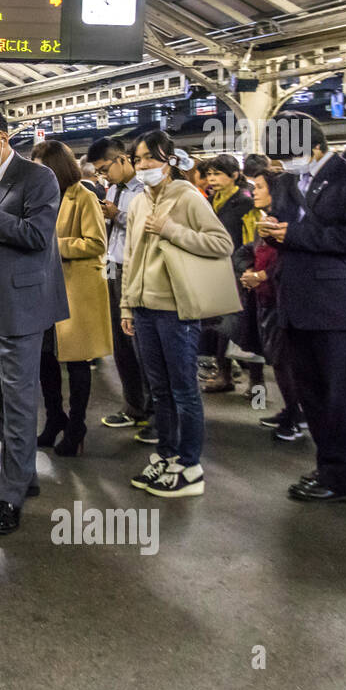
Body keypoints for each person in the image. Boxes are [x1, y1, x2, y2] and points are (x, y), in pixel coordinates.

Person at [258, 111, 346, 502]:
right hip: (295, 300)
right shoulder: (287, 181)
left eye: (288, 154)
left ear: (315, 146)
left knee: (342, 395)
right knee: (310, 392)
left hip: (338, 304)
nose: (283, 165)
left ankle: (343, 478)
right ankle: (327, 465)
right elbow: (287, 229)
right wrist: (274, 233)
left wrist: (294, 233)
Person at [0, 107, 69, 536]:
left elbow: (38, 236)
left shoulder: (38, 178)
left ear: (3, 138)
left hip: (20, 307)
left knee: (19, 400)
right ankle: (20, 475)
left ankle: (11, 496)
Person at [121, 130, 234, 498]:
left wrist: (172, 230)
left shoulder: (187, 197)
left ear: (169, 159)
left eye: (150, 158)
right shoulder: (138, 202)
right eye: (138, 160)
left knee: (184, 389)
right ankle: (166, 454)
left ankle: (190, 465)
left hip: (175, 309)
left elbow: (221, 243)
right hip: (142, 308)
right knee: (160, 389)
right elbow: (131, 258)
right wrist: (126, 304)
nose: (143, 166)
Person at [35, 140, 111, 456]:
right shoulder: (39, 198)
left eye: (42, 167)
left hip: (75, 291)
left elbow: (96, 243)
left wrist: (55, 244)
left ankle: (77, 425)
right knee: (45, 360)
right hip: (45, 289)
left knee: (76, 363)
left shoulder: (84, 197)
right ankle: (55, 419)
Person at [86, 137, 154, 438]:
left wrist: (119, 216)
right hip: (112, 267)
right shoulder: (113, 189)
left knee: (144, 344)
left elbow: (150, 224)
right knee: (121, 343)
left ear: (122, 159)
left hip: (136, 269)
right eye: (99, 172)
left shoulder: (147, 189)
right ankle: (134, 406)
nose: (104, 176)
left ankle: (156, 414)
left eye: (105, 169)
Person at [237, 166, 306, 442]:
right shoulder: (268, 219)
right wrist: (248, 271)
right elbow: (249, 250)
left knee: (285, 361)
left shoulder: (289, 225)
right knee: (278, 361)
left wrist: (261, 275)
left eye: (260, 187)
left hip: (284, 299)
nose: (254, 192)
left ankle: (295, 418)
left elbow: (290, 260)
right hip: (266, 297)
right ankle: (291, 410)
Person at [197, 154, 259, 394]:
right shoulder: (211, 200)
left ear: (234, 175)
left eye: (217, 174)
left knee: (244, 325)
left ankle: (256, 382)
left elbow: (251, 236)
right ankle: (223, 374)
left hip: (237, 268)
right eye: (209, 174)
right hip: (214, 268)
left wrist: (247, 266)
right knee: (218, 325)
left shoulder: (245, 201)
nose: (212, 179)